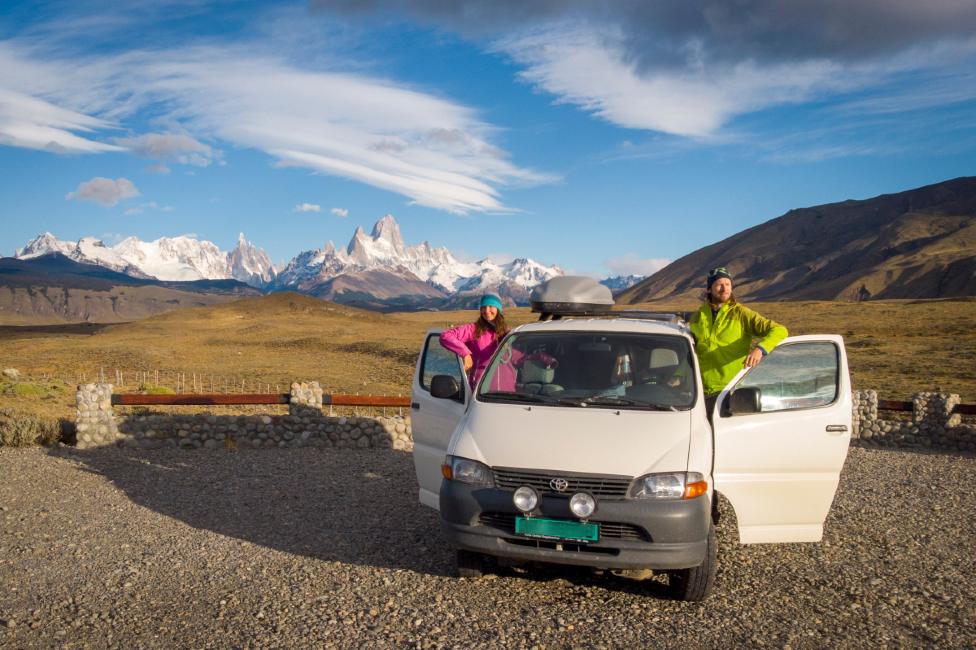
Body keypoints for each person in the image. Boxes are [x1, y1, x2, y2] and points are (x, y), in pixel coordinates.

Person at [689, 267, 788, 417]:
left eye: (728, 284)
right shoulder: (698, 316)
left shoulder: (741, 313)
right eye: (719, 284)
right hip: (699, 391)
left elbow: (780, 330)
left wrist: (760, 349)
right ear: (709, 289)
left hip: (729, 391)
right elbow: (691, 350)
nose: (724, 289)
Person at [440, 293, 510, 389]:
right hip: (480, 390)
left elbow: (517, 357)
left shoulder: (507, 333)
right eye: (483, 307)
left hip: (507, 389)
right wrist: (465, 353)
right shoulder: (474, 329)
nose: (487, 311)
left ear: (498, 309)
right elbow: (445, 336)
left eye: (491, 306)